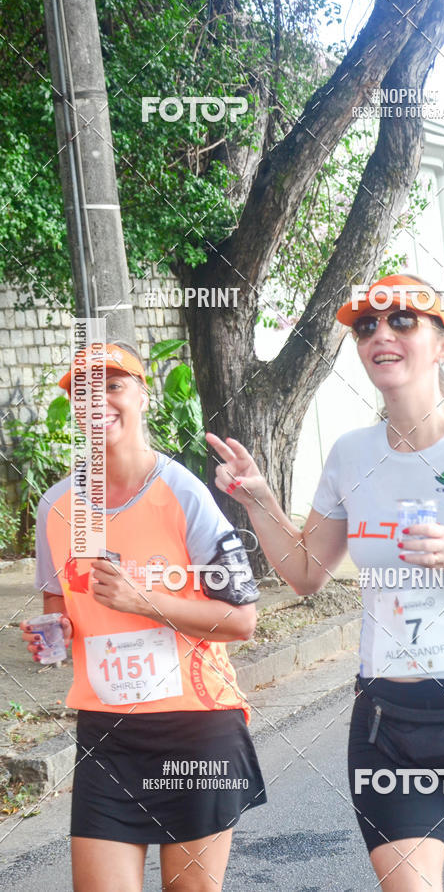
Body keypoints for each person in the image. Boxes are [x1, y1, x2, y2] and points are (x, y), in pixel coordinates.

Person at [206, 274, 444, 892]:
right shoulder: (350, 454)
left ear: (442, 343)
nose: (381, 334)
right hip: (389, 724)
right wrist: (259, 498)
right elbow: (303, 575)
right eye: (366, 325)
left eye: (403, 320)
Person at [20, 341, 265, 892]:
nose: (97, 400)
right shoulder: (57, 507)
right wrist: (54, 636)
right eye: (83, 391)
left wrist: (142, 601)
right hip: (108, 734)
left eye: (113, 385)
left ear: (143, 396)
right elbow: (58, 608)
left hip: (197, 728)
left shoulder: (184, 493)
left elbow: (242, 621)